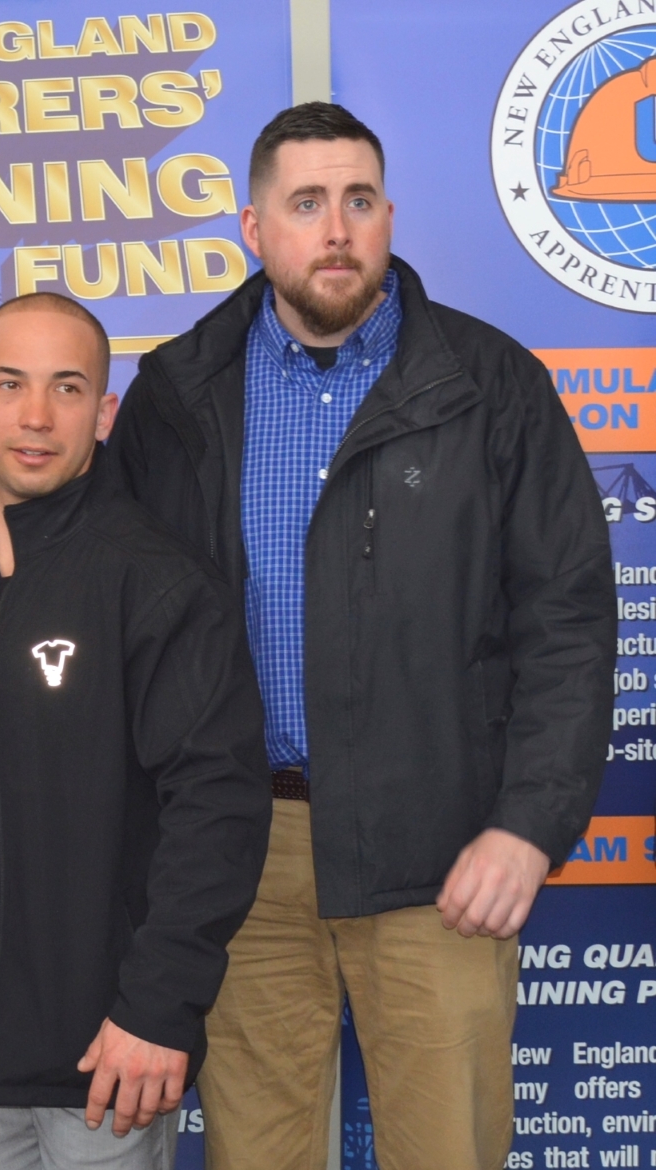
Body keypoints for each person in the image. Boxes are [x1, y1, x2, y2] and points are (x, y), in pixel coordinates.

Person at [108, 103, 616, 1170]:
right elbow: (84, 574)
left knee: (450, 1150)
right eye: (304, 204)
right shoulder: (177, 393)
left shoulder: (492, 387)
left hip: (439, 850)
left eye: (356, 201)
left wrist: (526, 825)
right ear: (253, 227)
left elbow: (566, 621)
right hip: (241, 852)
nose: (334, 228)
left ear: (387, 214)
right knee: (261, 1155)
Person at [0, 292, 272, 1170]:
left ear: (103, 411)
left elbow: (216, 805)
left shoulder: (155, 580)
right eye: (8, 384)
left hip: (102, 1009)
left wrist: (158, 1006)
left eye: (67, 388)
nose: (35, 416)